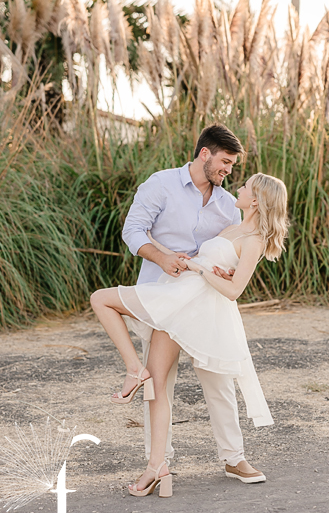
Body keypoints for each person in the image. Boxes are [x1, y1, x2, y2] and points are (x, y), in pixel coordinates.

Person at [93, 124, 277, 492]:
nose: (228, 172)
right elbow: (133, 231)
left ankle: (233, 457)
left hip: (206, 301)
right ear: (205, 153)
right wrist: (162, 259)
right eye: (224, 162)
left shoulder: (229, 206)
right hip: (164, 294)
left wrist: (218, 269)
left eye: (233, 167)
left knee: (218, 380)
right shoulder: (161, 184)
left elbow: (235, 254)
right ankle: (159, 463)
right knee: (159, 384)